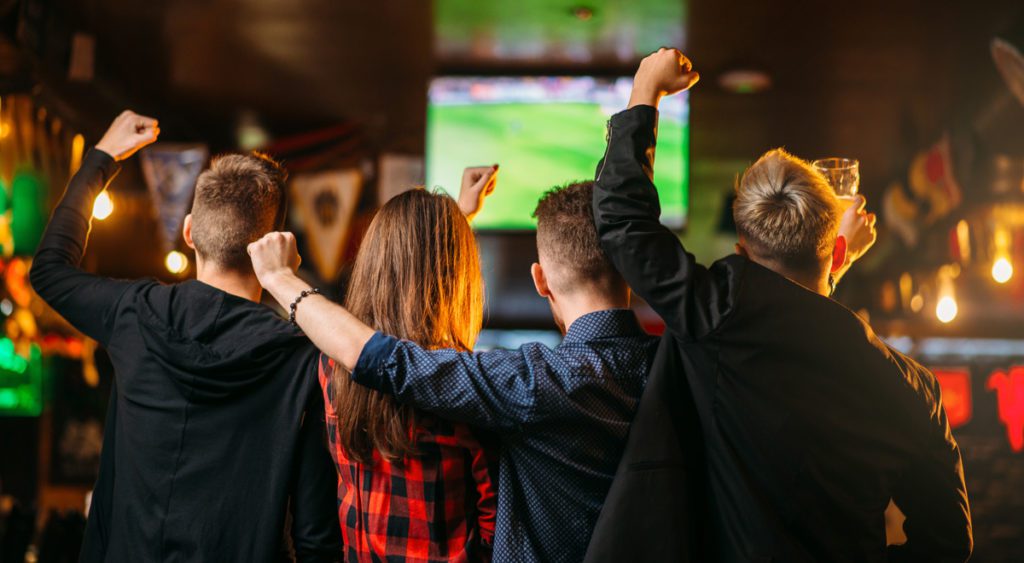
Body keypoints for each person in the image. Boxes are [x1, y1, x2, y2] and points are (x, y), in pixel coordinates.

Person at [588, 48, 972, 562]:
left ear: (742, 251)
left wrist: (645, 91)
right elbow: (948, 542)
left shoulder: (711, 313)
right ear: (837, 251)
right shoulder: (912, 390)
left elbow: (621, 221)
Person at [247, 178, 659, 562]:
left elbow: (378, 353)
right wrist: (448, 234)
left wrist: (280, 278)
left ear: (541, 279)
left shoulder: (331, 368)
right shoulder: (662, 364)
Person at [30, 111, 342, 562]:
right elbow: (317, 538)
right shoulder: (302, 359)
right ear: (274, 245)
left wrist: (102, 159)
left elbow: (50, 269)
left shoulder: (133, 313)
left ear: (190, 231)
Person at [314, 184, 498, 562]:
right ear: (457, 274)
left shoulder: (332, 365)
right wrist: (449, 234)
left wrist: (454, 221)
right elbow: (495, 520)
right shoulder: (461, 379)